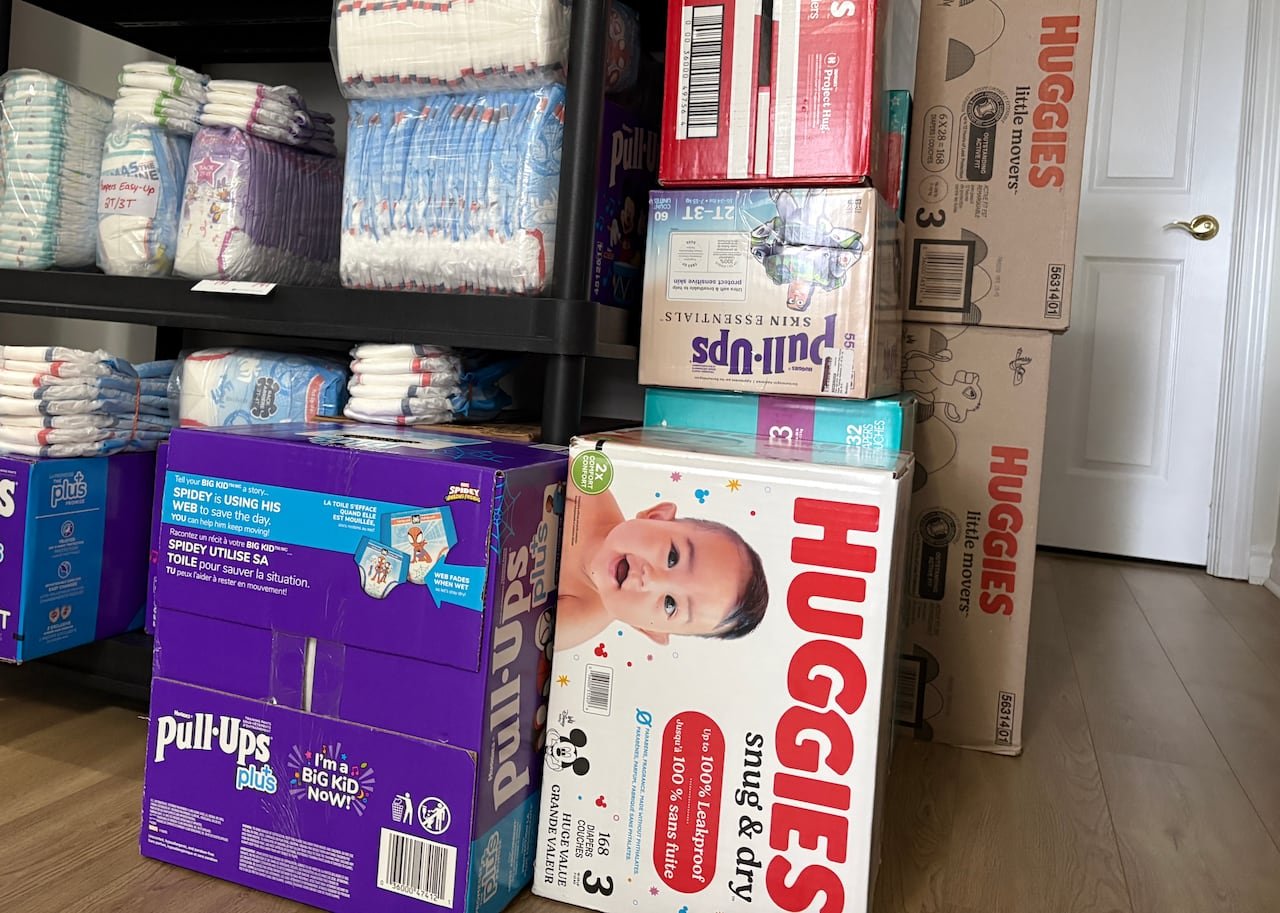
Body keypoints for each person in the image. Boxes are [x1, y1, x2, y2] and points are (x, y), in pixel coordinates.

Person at [555, 489, 768, 650]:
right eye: (672, 557)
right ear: (656, 517)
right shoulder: (589, 492)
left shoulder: (581, 617)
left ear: (650, 629)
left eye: (670, 604)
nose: (652, 580)